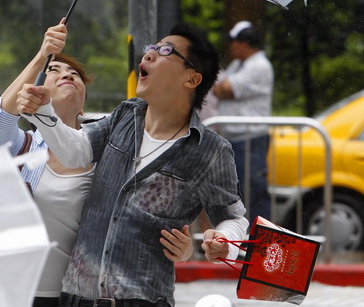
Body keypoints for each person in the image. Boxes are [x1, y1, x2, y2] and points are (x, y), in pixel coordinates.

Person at [16, 21, 249, 307]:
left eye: (165, 51)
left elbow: (234, 218)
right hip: (76, 298)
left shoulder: (211, 150)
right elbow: (76, 152)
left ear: (191, 79)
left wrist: (224, 241)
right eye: (151, 48)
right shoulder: (125, 115)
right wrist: (42, 110)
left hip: (142, 300)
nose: (148, 54)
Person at [212, 21, 274, 224]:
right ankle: (246, 238)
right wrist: (221, 87)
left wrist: (222, 88)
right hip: (236, 139)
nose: (231, 47)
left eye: (233, 42)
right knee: (240, 191)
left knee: (254, 191)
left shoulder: (258, 65)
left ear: (245, 43)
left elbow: (224, 89)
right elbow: (218, 87)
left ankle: (262, 241)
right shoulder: (239, 64)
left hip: (251, 138)